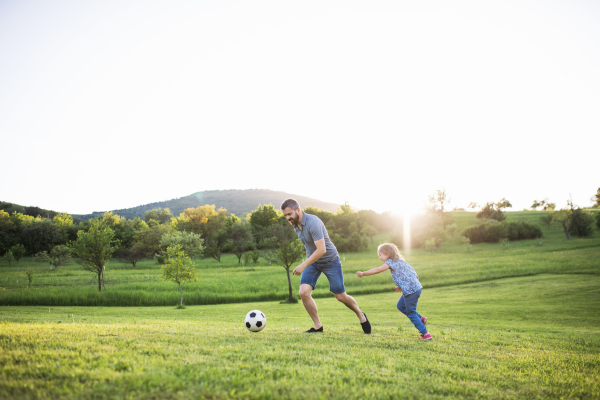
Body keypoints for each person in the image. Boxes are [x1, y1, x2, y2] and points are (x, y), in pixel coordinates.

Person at [281, 198, 371, 334]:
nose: (288, 218)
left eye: (289, 214)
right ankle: (318, 326)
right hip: (313, 262)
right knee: (303, 292)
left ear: (298, 210)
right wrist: (308, 262)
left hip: (330, 261)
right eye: (285, 215)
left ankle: (360, 314)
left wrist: (303, 265)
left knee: (341, 297)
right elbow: (308, 245)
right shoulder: (295, 226)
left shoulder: (313, 222)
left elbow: (321, 249)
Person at [357, 243, 432, 340]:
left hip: (411, 291)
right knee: (400, 306)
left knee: (411, 313)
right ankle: (421, 319)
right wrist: (401, 286)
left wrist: (363, 273)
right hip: (415, 288)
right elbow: (411, 274)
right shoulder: (400, 262)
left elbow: (377, 270)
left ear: (387, 254)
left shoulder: (390, 262)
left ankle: (425, 334)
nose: (380, 258)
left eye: (381, 255)